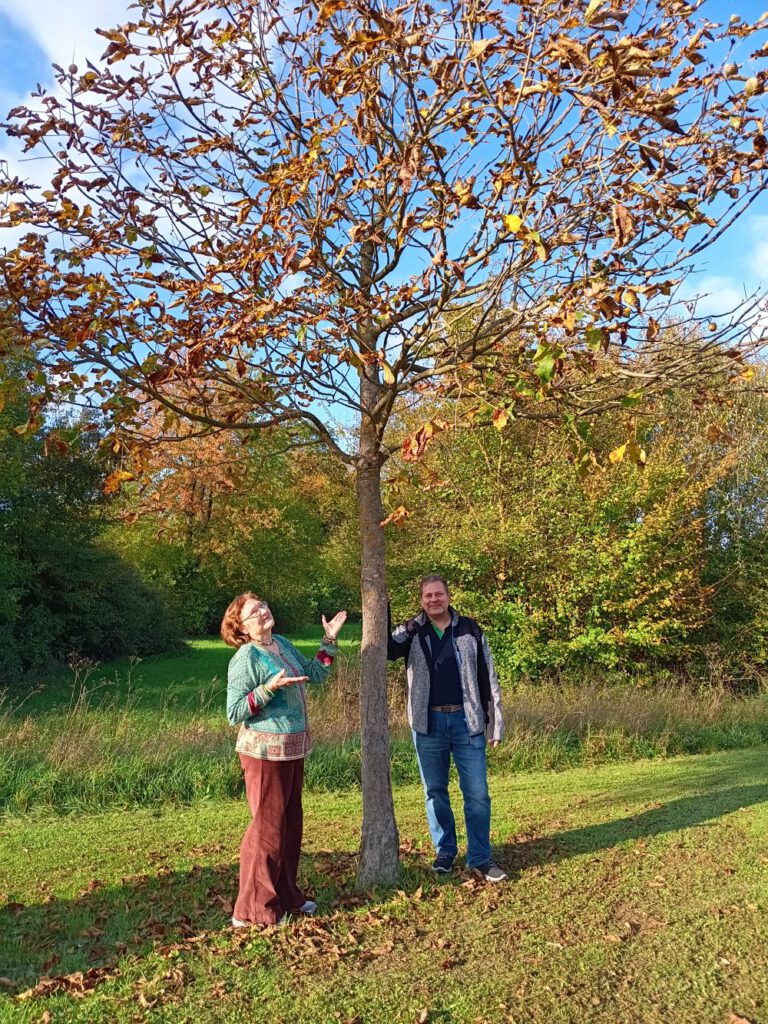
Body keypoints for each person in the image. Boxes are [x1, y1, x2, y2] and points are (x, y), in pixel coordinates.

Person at [222, 592, 347, 926]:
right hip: (263, 755)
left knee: (290, 827)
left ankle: (286, 894)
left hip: (293, 749)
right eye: (254, 611)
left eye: (263, 605)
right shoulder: (246, 657)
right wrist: (268, 689)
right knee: (267, 830)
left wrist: (329, 640)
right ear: (242, 627)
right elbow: (234, 712)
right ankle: (252, 909)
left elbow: (315, 674)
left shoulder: (281, 644)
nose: (263, 611)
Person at [387, 575, 507, 881]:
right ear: (421, 600)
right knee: (435, 791)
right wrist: (382, 603)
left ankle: (480, 857)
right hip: (428, 724)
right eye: (427, 596)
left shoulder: (470, 629)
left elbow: (487, 676)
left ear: (449, 596)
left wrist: (495, 723)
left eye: (438, 594)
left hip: (467, 723)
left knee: (477, 793)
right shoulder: (412, 630)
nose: (433, 600)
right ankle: (445, 851)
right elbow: (388, 649)